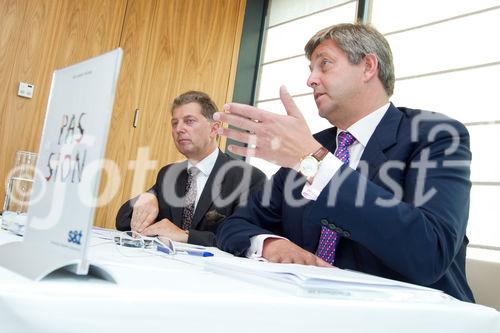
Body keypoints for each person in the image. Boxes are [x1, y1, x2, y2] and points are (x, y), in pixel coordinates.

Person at [213, 23, 475, 302]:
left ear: (368, 67)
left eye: (324, 64)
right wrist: (269, 244)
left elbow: (429, 253)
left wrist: (313, 161)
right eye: (310, 69)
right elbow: (234, 226)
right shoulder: (310, 145)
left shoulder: (435, 136)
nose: (311, 80)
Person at [116, 91, 266, 246]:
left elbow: (248, 240)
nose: (179, 129)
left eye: (189, 121)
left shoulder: (248, 178)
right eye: (175, 123)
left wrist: (186, 236)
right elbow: (122, 221)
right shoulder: (168, 174)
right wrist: (148, 196)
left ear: (214, 129)